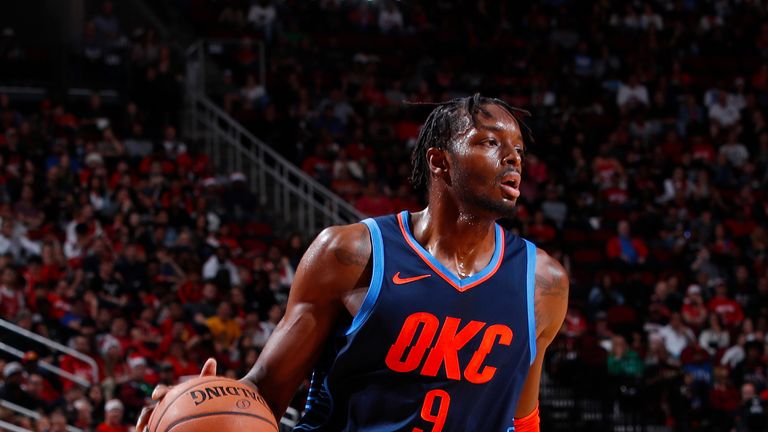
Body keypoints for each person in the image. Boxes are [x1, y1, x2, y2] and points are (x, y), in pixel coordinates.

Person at [137, 95, 568, 431]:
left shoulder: (542, 283)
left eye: (518, 149)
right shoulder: (350, 254)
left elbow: (521, 419)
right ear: (440, 161)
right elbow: (266, 390)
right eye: (490, 142)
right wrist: (198, 401)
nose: (512, 158)